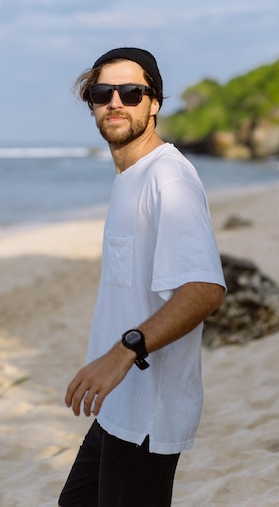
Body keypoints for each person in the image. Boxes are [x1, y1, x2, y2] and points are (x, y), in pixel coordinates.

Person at [58, 47, 226, 507]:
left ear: (154, 102)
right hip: (118, 406)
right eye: (101, 93)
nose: (115, 102)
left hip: (147, 416)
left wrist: (123, 352)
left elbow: (205, 289)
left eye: (131, 92)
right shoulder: (129, 176)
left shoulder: (167, 179)